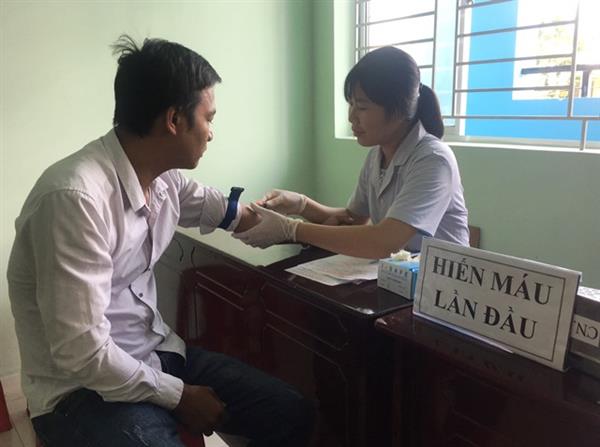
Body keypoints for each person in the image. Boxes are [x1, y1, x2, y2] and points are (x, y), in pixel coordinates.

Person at [7, 35, 313, 447]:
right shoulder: (75, 199)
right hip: (80, 392)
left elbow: (236, 216)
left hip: (156, 355)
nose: (211, 133)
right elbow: (82, 353)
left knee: (289, 410)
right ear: (174, 120)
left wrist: (312, 219)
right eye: (208, 118)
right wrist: (179, 396)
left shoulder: (166, 181)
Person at [234, 46, 469, 258]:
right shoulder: (377, 155)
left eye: (362, 107)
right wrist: (301, 205)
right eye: (351, 104)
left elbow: (385, 242)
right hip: (399, 279)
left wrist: (292, 229)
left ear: (399, 110)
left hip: (444, 287)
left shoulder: (433, 160)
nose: (351, 117)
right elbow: (352, 219)